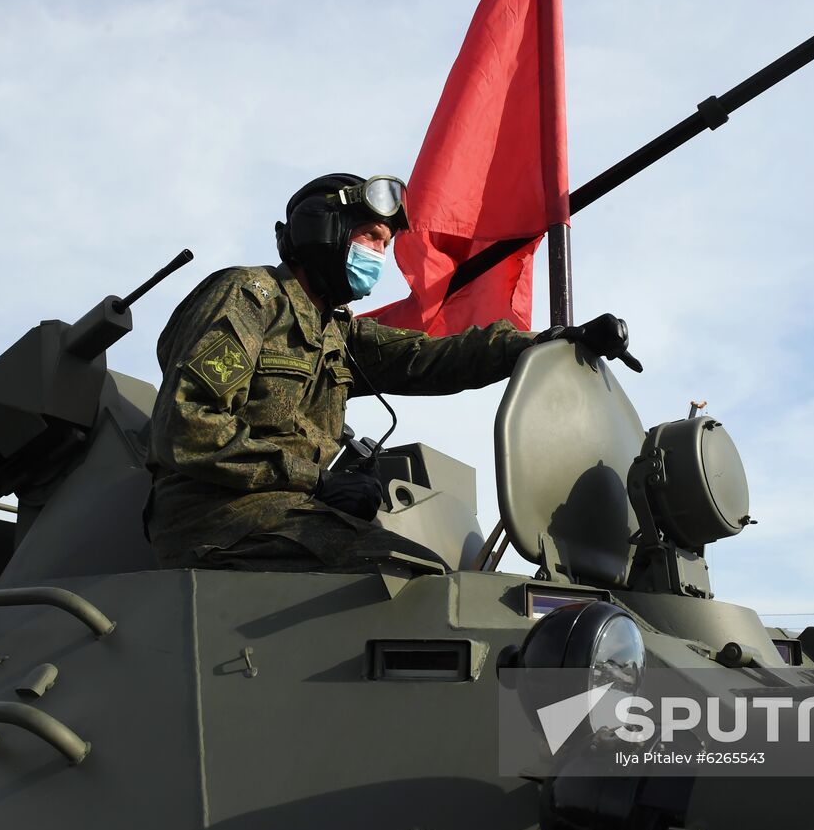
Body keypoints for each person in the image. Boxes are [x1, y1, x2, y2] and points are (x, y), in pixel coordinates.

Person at [145, 172, 632, 572]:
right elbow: (188, 427)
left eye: (386, 242)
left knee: (438, 572)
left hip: (287, 513)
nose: (379, 253)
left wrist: (549, 341)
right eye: (370, 237)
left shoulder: (337, 333)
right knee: (401, 573)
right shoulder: (249, 297)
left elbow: (433, 356)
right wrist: (315, 481)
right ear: (325, 231)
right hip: (214, 516)